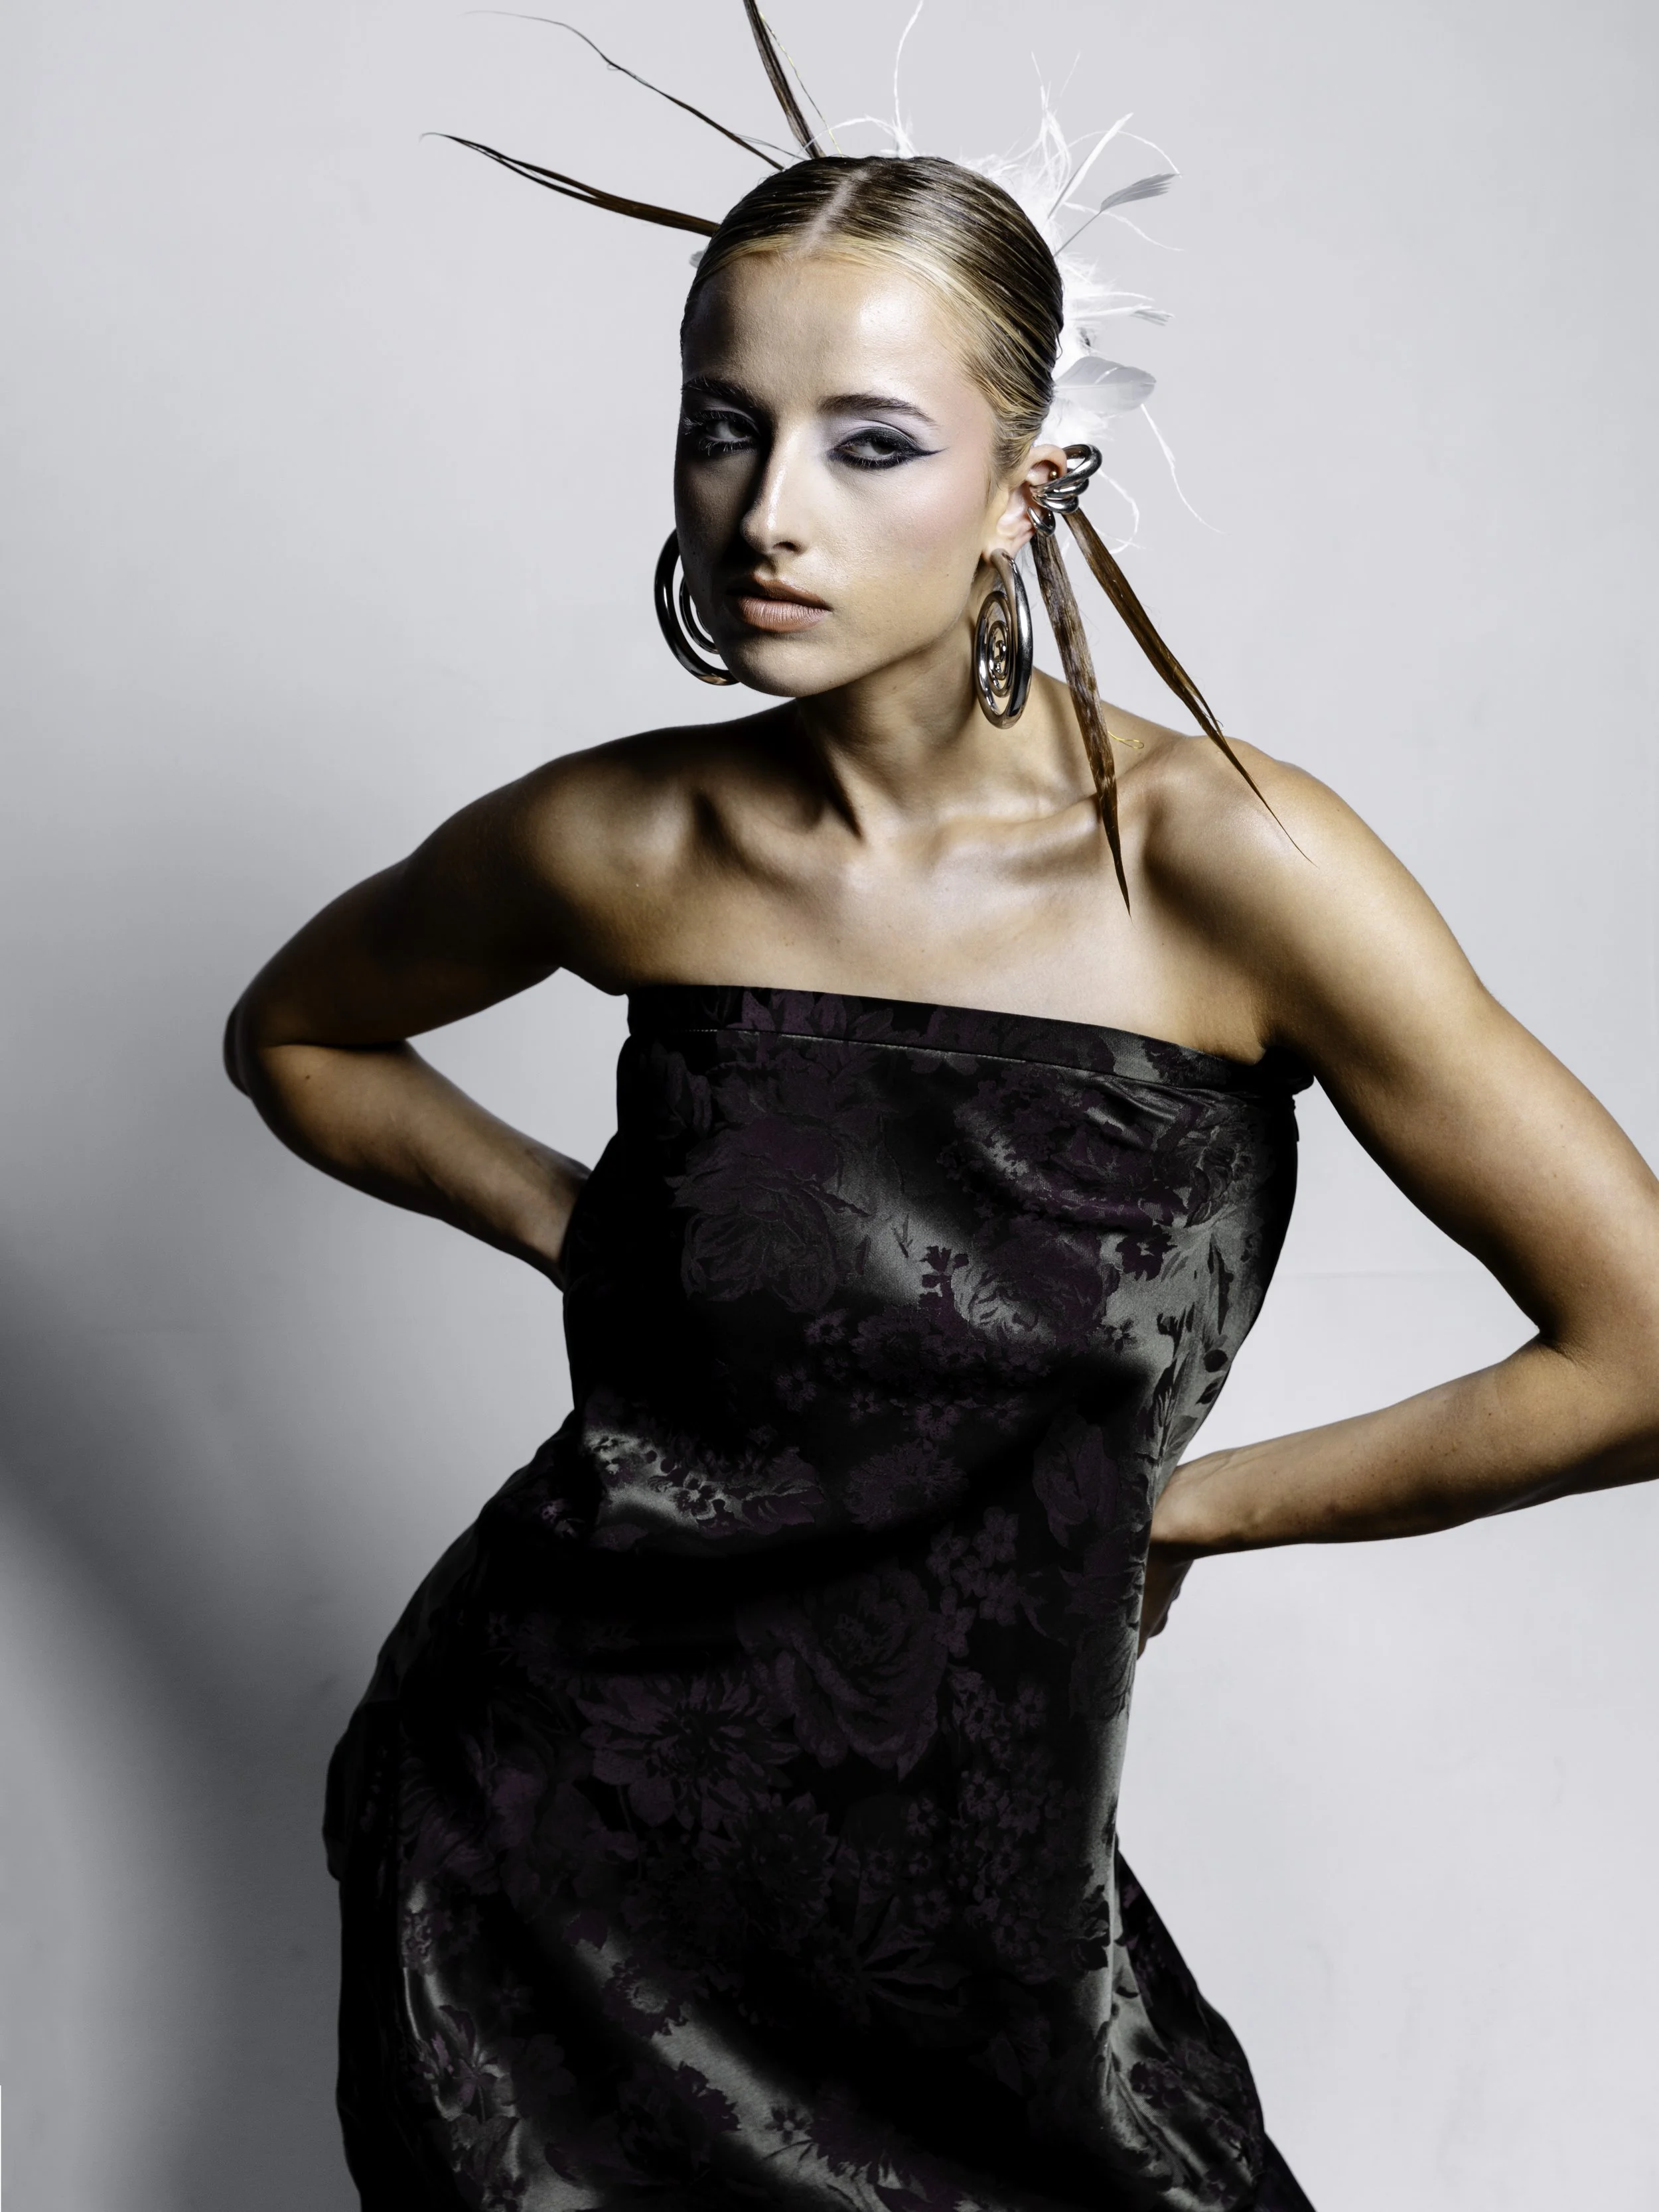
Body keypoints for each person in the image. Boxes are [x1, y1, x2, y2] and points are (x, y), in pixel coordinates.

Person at [224, 23, 1659, 2210]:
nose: (769, 510)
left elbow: (1636, 1346)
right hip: (539, 1855)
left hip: (981, 1923)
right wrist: (573, 1219)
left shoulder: (1232, 865)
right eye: (726, 430)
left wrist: (1187, 1510)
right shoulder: (622, 840)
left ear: (1028, 488)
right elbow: (299, 1032)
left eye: (869, 441)